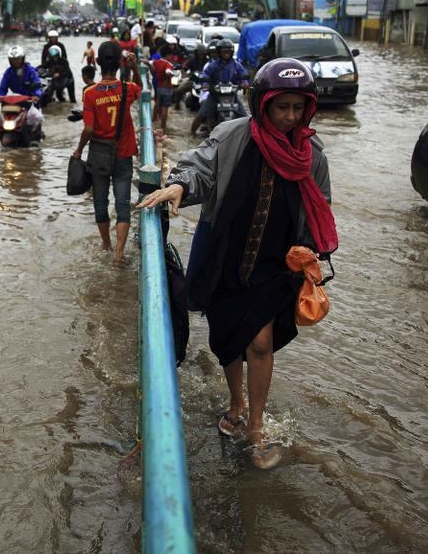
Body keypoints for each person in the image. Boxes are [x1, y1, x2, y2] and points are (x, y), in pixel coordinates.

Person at [137, 58, 338, 469]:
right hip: (226, 256)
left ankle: (257, 426)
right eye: (281, 107)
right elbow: (199, 168)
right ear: (261, 104)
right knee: (229, 338)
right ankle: (236, 402)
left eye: (298, 108)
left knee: (261, 342)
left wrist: (311, 251)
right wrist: (178, 186)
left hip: (274, 264)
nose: (289, 117)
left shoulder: (311, 154)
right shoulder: (231, 136)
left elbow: (321, 206)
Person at [72, 42, 143, 266]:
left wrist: (79, 149)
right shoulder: (127, 89)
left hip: (99, 157)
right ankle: (119, 254)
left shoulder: (90, 93)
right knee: (122, 204)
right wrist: (135, 68)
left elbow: (90, 130)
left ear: (98, 63)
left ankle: (106, 244)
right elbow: (139, 89)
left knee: (100, 203)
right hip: (123, 155)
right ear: (119, 63)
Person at [192, 38, 249, 135]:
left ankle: (248, 136)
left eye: (229, 51)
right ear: (219, 52)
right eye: (224, 51)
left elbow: (243, 74)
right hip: (215, 95)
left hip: (232, 95)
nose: (226, 53)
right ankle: (192, 132)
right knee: (202, 114)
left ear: (232, 52)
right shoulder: (213, 65)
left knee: (245, 117)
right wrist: (205, 84)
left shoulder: (236, 65)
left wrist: (244, 82)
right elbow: (206, 74)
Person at [0, 46, 44, 144]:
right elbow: (3, 87)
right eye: (13, 60)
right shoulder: (8, 72)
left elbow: (37, 86)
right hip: (14, 102)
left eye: (18, 59)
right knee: (3, 116)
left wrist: (36, 95)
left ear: (23, 58)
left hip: (29, 101)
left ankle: (36, 136)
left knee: (37, 118)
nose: (15, 61)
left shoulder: (31, 71)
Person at [174, 42, 208, 110]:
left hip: (205, 82)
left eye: (202, 53)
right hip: (193, 80)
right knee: (178, 90)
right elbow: (184, 67)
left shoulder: (208, 61)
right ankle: (177, 105)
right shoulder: (192, 60)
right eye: (199, 53)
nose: (201, 55)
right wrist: (184, 74)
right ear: (196, 52)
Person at [151, 44, 176, 133]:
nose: (172, 57)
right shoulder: (168, 64)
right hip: (167, 88)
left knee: (157, 102)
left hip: (159, 87)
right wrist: (169, 73)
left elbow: (149, 63)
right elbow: (167, 70)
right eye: (171, 55)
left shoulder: (156, 62)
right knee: (165, 107)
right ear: (168, 55)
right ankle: (163, 127)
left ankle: (154, 120)